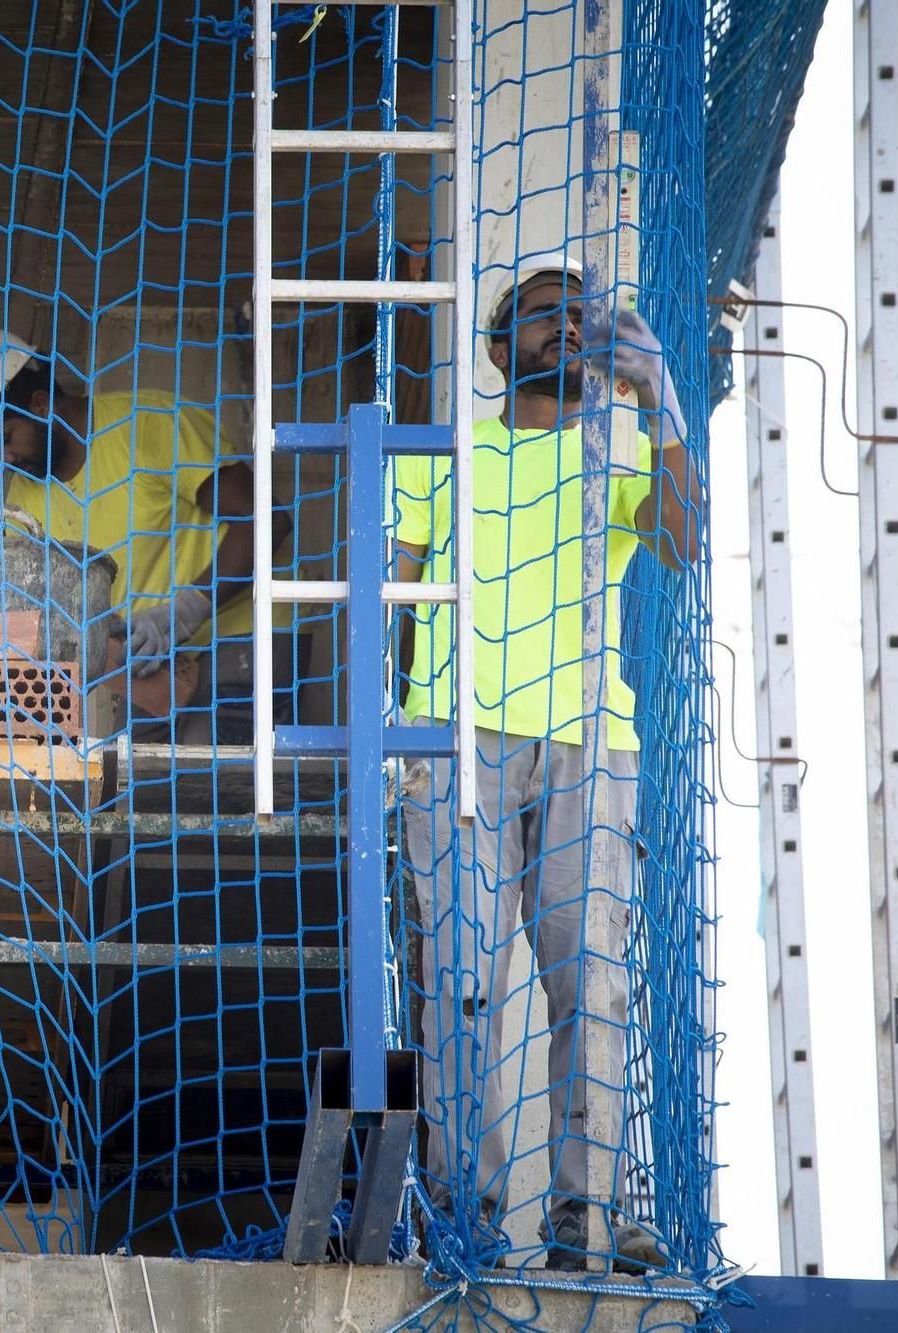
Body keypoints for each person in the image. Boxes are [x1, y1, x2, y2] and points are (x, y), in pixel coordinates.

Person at [392, 253, 697, 1271]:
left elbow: (681, 541)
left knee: (591, 983)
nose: (562, 327)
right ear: (494, 351)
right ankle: (455, 1215)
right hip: (454, 737)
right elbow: (389, 593)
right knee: (460, 984)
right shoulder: (445, 454)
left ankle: (585, 1220)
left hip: (586, 739)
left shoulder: (614, 457)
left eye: (579, 316)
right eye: (536, 315)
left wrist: (659, 406)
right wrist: (392, 735)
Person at [0, 326, 299, 743]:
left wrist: (186, 611)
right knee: (139, 796)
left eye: (5, 439)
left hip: (240, 643)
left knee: (209, 784)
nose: (4, 458)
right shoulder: (23, 500)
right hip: (149, 668)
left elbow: (268, 519)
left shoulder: (148, 425)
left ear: (42, 404)